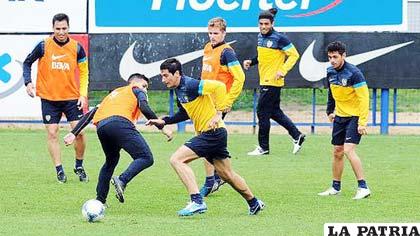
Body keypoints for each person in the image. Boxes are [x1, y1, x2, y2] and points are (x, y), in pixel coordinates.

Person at [146, 58, 264, 216]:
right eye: (162, 76)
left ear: (177, 74)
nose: (163, 80)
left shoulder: (191, 85)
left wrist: (219, 113)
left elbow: (219, 86)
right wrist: (164, 121)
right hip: (214, 134)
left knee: (177, 159)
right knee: (226, 175)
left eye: (166, 75)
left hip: (212, 133)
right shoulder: (179, 90)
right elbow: (184, 113)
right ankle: (254, 202)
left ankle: (197, 201)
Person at [64, 73, 173, 204]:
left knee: (111, 161)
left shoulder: (113, 94)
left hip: (102, 127)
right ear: (134, 83)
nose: (145, 90)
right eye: (144, 86)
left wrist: (73, 133)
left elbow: (91, 113)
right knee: (146, 157)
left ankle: (100, 200)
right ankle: (122, 180)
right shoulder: (136, 89)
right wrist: (162, 127)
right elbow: (144, 106)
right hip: (120, 123)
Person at [23, 13, 89, 183]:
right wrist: (28, 83)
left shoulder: (77, 48)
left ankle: (79, 165)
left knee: (79, 132)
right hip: (49, 99)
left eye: (64, 28)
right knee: (52, 133)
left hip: (71, 98)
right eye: (58, 29)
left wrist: (83, 94)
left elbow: (84, 73)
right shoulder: (43, 46)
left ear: (69, 28)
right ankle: (59, 169)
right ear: (52, 28)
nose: (61, 32)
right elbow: (27, 63)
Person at [243, 8, 305, 156]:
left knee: (262, 112)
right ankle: (297, 135)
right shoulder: (260, 37)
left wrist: (283, 70)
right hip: (265, 80)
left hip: (272, 81)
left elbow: (294, 55)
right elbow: (263, 57)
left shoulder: (280, 38)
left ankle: (263, 147)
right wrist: (251, 62)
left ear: (272, 23)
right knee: (274, 112)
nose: (263, 26)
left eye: (266, 24)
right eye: (261, 24)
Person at [199, 17, 246, 197]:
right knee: (210, 141)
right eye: (210, 33)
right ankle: (217, 177)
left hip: (217, 104)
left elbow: (239, 77)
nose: (212, 36)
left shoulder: (227, 53)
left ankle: (211, 180)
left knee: (205, 139)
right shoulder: (207, 48)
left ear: (224, 33)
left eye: (216, 33)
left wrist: (227, 101)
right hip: (206, 101)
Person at [318, 41, 371, 200]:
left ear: (343, 56)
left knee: (348, 150)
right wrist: (329, 110)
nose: (332, 60)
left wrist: (362, 122)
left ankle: (363, 187)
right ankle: (335, 187)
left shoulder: (354, 73)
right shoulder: (330, 71)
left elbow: (364, 98)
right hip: (340, 116)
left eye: (335, 57)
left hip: (354, 117)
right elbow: (331, 92)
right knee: (337, 151)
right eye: (329, 57)